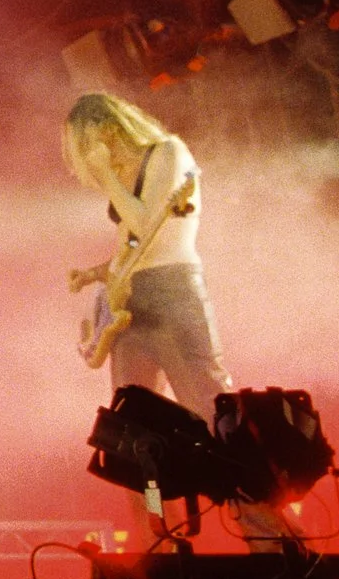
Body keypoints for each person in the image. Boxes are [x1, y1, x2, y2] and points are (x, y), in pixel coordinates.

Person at [63, 92, 229, 419]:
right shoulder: (124, 174)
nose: (87, 158)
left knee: (206, 405)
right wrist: (96, 274)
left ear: (109, 130)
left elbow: (144, 224)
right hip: (130, 301)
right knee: (135, 418)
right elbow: (133, 247)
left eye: (86, 145)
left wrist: (108, 176)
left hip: (172, 290)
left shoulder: (168, 152)